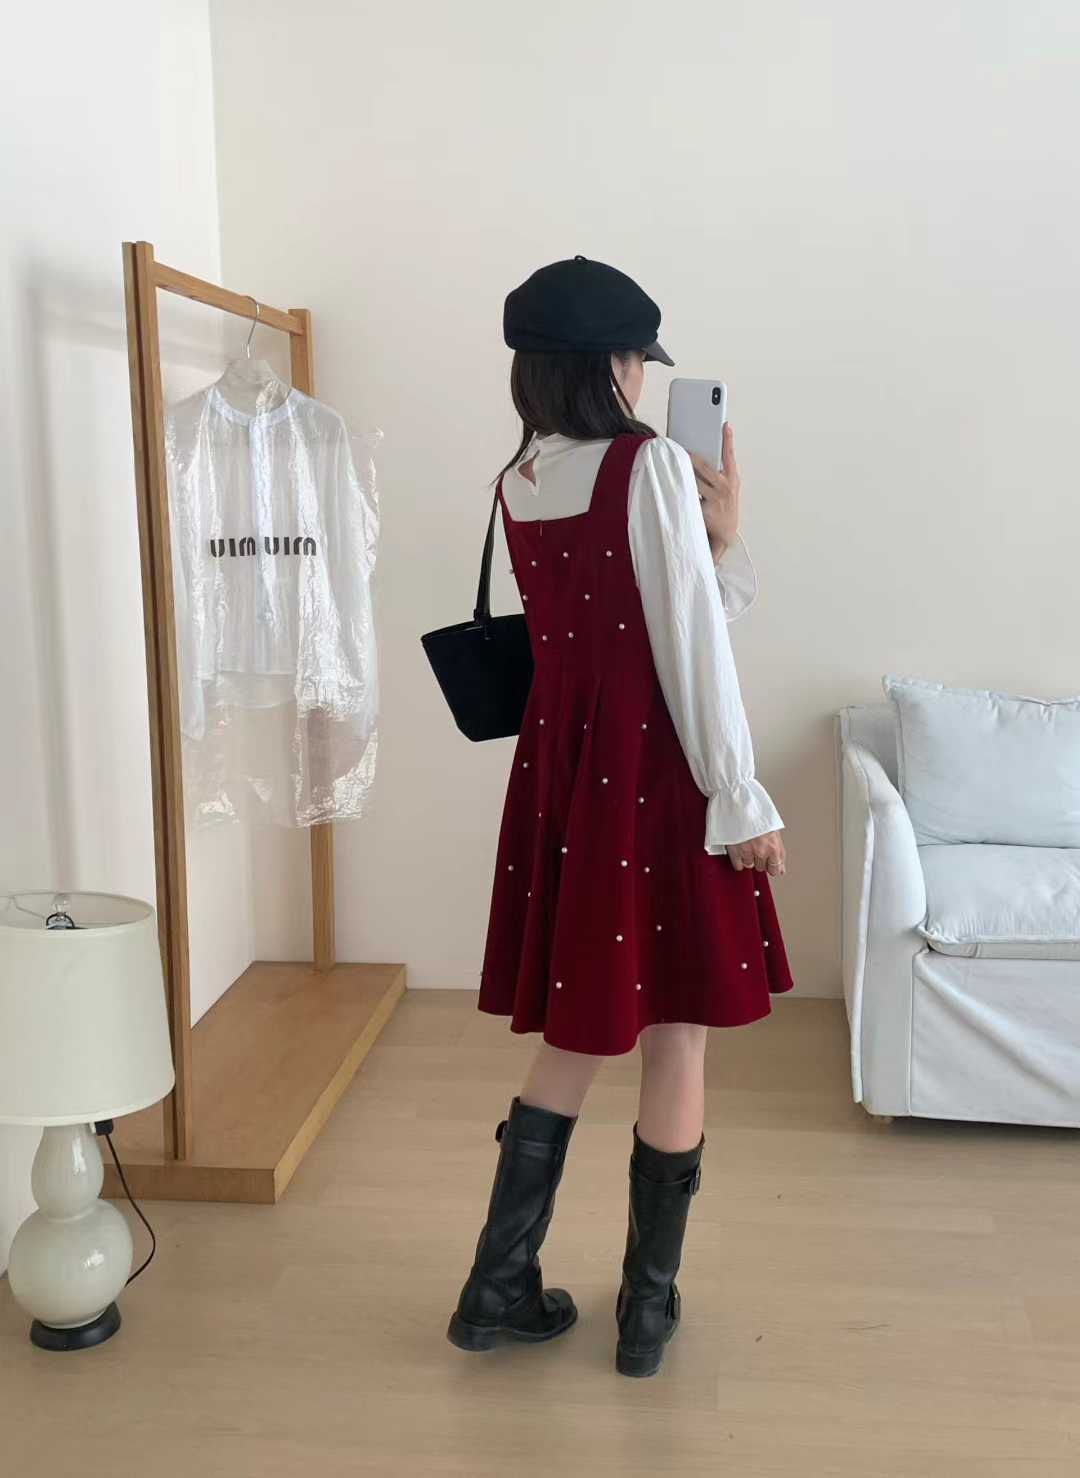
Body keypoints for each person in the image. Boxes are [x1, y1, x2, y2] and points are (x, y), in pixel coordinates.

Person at [447, 255, 794, 1377]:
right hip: (656, 769)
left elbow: (653, 614)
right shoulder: (644, 466)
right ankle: (646, 1312)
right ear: (611, 363)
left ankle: (496, 1285)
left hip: (568, 770)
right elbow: (691, 645)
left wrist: (715, 539)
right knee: (676, 1028)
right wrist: (740, 797)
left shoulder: (519, 477)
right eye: (639, 358)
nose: (643, 377)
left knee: (577, 1021)